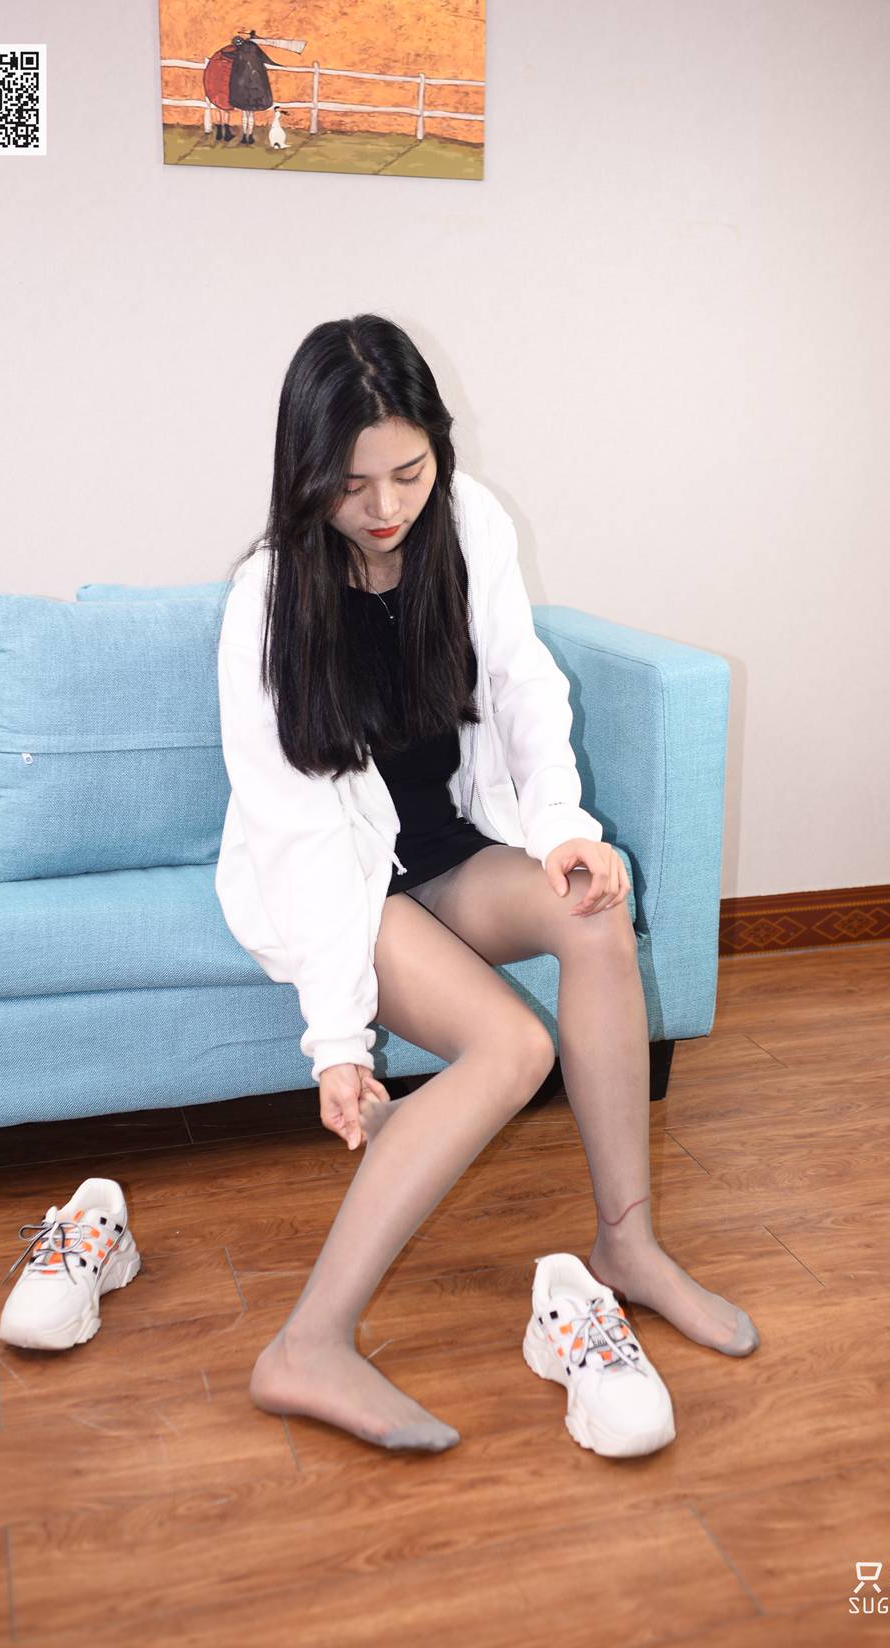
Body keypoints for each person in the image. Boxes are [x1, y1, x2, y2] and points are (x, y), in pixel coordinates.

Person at [214, 314, 759, 1454]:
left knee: (593, 916)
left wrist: (562, 830)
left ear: (439, 450)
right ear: (304, 472)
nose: (384, 506)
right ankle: (306, 1344)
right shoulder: (267, 599)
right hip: (346, 886)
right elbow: (294, 832)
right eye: (350, 483)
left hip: (454, 849)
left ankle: (627, 1244)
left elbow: (521, 683)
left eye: (407, 472)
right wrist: (336, 1041)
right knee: (512, 1050)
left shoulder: (468, 524)